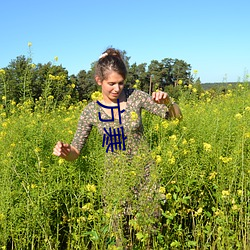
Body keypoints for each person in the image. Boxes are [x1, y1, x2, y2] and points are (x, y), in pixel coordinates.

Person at [53, 47, 182, 247]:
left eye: (121, 83)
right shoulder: (91, 111)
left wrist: (169, 102)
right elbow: (76, 151)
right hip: (115, 181)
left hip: (146, 176)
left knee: (150, 235)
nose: (116, 88)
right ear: (99, 81)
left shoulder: (135, 97)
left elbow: (175, 118)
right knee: (120, 238)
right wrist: (65, 152)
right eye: (111, 83)